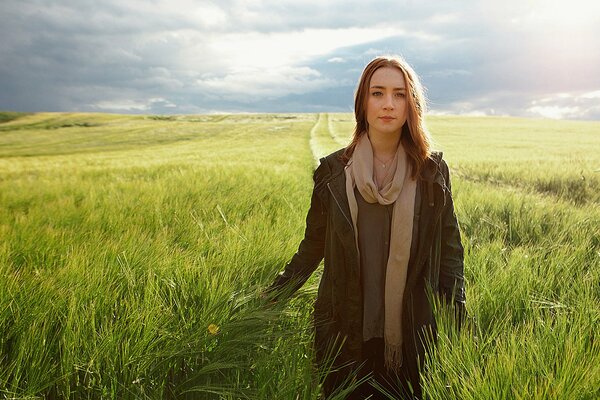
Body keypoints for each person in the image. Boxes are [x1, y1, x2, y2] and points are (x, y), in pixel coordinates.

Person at [265, 55, 466, 399]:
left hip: (410, 336)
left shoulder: (431, 172)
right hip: (345, 332)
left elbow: (450, 251)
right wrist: (270, 297)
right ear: (362, 102)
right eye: (377, 93)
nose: (388, 104)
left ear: (411, 104)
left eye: (399, 94)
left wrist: (457, 318)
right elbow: (312, 247)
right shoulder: (333, 173)